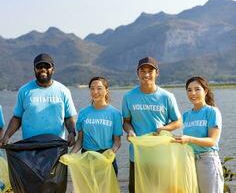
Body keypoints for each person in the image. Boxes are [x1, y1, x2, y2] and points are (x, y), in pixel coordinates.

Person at [122, 56, 182, 193]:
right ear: (137, 73)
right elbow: (126, 122)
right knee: (136, 190)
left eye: (150, 71)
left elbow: (178, 122)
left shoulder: (167, 96)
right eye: (142, 71)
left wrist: (164, 128)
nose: (146, 74)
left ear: (157, 73)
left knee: (160, 189)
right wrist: (130, 131)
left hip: (160, 155)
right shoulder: (129, 96)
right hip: (137, 155)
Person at [0, 53, 77, 146]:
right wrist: (7, 136)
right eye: (39, 66)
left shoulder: (63, 91)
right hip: (29, 146)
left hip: (56, 146)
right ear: (34, 69)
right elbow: (17, 118)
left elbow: (68, 117)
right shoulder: (24, 91)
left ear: (53, 69)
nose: (43, 69)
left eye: (47, 66)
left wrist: (72, 133)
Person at [174, 76, 224, 193]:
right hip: (189, 162)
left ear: (205, 91)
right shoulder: (186, 115)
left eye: (197, 89)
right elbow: (178, 137)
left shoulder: (212, 111)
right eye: (189, 90)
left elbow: (212, 141)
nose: (193, 93)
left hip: (207, 161)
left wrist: (189, 139)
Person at [71, 76, 123, 175]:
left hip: (106, 159)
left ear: (106, 90)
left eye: (99, 88)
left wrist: (111, 152)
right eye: (92, 88)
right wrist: (71, 154)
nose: (95, 92)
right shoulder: (83, 113)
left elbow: (117, 142)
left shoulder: (115, 114)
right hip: (87, 159)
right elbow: (79, 141)